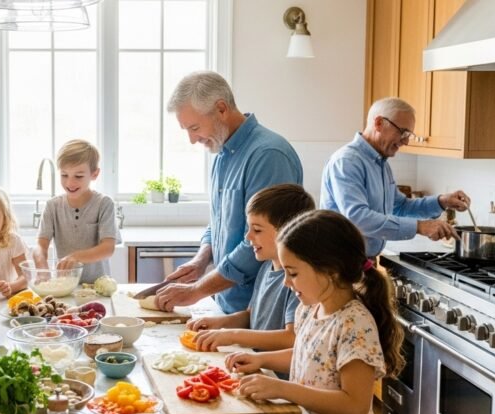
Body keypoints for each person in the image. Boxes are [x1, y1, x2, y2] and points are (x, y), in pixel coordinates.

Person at [225, 210, 404, 414]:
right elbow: (309, 357)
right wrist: (262, 361)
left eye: (293, 273)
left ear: (330, 271)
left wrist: (283, 388)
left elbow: (355, 406)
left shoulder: (354, 324)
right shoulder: (310, 308)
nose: (286, 283)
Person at [156, 71, 303, 314]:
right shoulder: (221, 154)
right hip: (225, 304)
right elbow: (219, 221)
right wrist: (201, 260)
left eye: (194, 127)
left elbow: (260, 239)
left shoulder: (268, 156)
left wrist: (196, 291)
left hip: (261, 312)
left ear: (221, 109)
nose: (192, 140)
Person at [320, 97, 470, 258]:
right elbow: (358, 218)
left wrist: (442, 201)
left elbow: (400, 207)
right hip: (337, 265)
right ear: (378, 123)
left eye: (409, 135)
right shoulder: (347, 162)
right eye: (403, 132)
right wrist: (420, 227)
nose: (406, 141)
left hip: (361, 263)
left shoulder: (381, 163)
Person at [189, 184, 314, 354]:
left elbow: (291, 337)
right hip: (257, 367)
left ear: (287, 231)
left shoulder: (298, 279)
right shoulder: (265, 267)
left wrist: (233, 335)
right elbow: (251, 316)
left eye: (257, 229)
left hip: (275, 376)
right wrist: (219, 323)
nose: (248, 237)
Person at [36, 139, 120, 283]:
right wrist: (41, 266)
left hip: (98, 286)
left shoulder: (104, 204)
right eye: (64, 175)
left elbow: (108, 248)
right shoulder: (52, 206)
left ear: (94, 174)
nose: (70, 183)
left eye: (78, 176)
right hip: (65, 285)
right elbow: (40, 246)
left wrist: (75, 257)